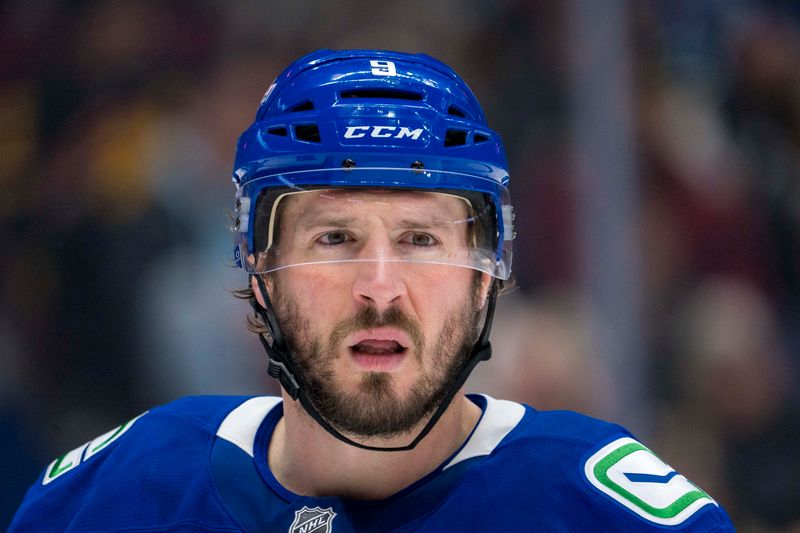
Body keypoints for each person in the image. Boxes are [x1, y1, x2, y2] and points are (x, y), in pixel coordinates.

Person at [10, 49, 734, 532]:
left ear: (488, 273)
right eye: (334, 238)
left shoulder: (599, 512)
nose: (380, 289)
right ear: (257, 267)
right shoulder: (110, 496)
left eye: (421, 240)